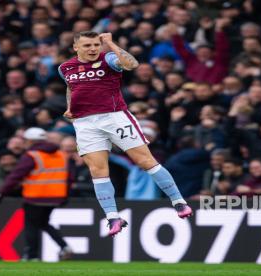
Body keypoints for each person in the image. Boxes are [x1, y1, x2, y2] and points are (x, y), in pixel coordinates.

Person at [58, 31, 192, 237]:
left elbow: (131, 65)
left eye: (95, 44)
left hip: (114, 116)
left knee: (145, 161)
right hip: (85, 122)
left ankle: (178, 202)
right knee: (97, 170)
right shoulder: (65, 67)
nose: (93, 49)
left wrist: (110, 44)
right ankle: (113, 217)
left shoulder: (109, 58)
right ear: (76, 47)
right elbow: (71, 87)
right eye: (87, 46)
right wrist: (70, 106)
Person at [0, 127, 73, 261]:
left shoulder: (32, 155)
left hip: (35, 196)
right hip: (55, 197)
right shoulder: (61, 154)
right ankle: (64, 246)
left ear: (30, 141)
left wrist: (2, 191)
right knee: (43, 223)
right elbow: (69, 177)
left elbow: (16, 175)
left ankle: (32, 256)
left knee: (31, 225)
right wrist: (65, 195)